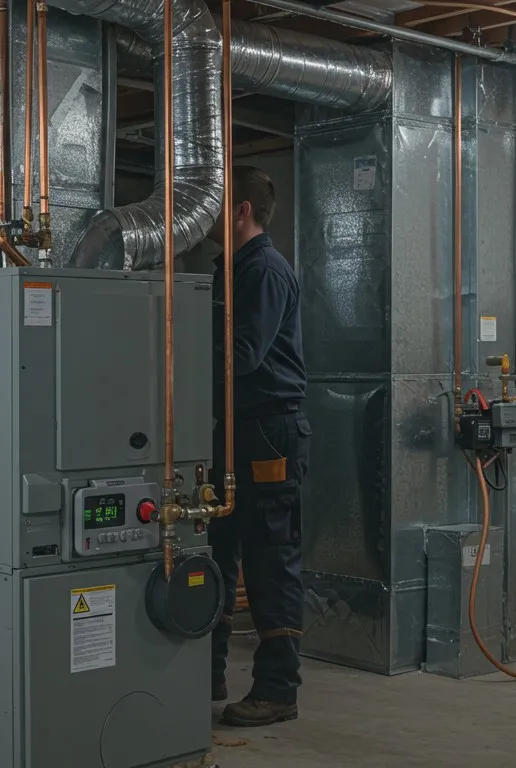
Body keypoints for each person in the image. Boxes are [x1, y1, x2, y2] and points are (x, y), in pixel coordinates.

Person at [206, 167, 310, 727]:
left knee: (271, 561)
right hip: (232, 429)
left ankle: (277, 689)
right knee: (216, 550)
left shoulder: (265, 271)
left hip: (269, 430)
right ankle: (208, 671)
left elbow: (242, 354)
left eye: (216, 206)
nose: (207, 218)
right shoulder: (232, 269)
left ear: (241, 211)